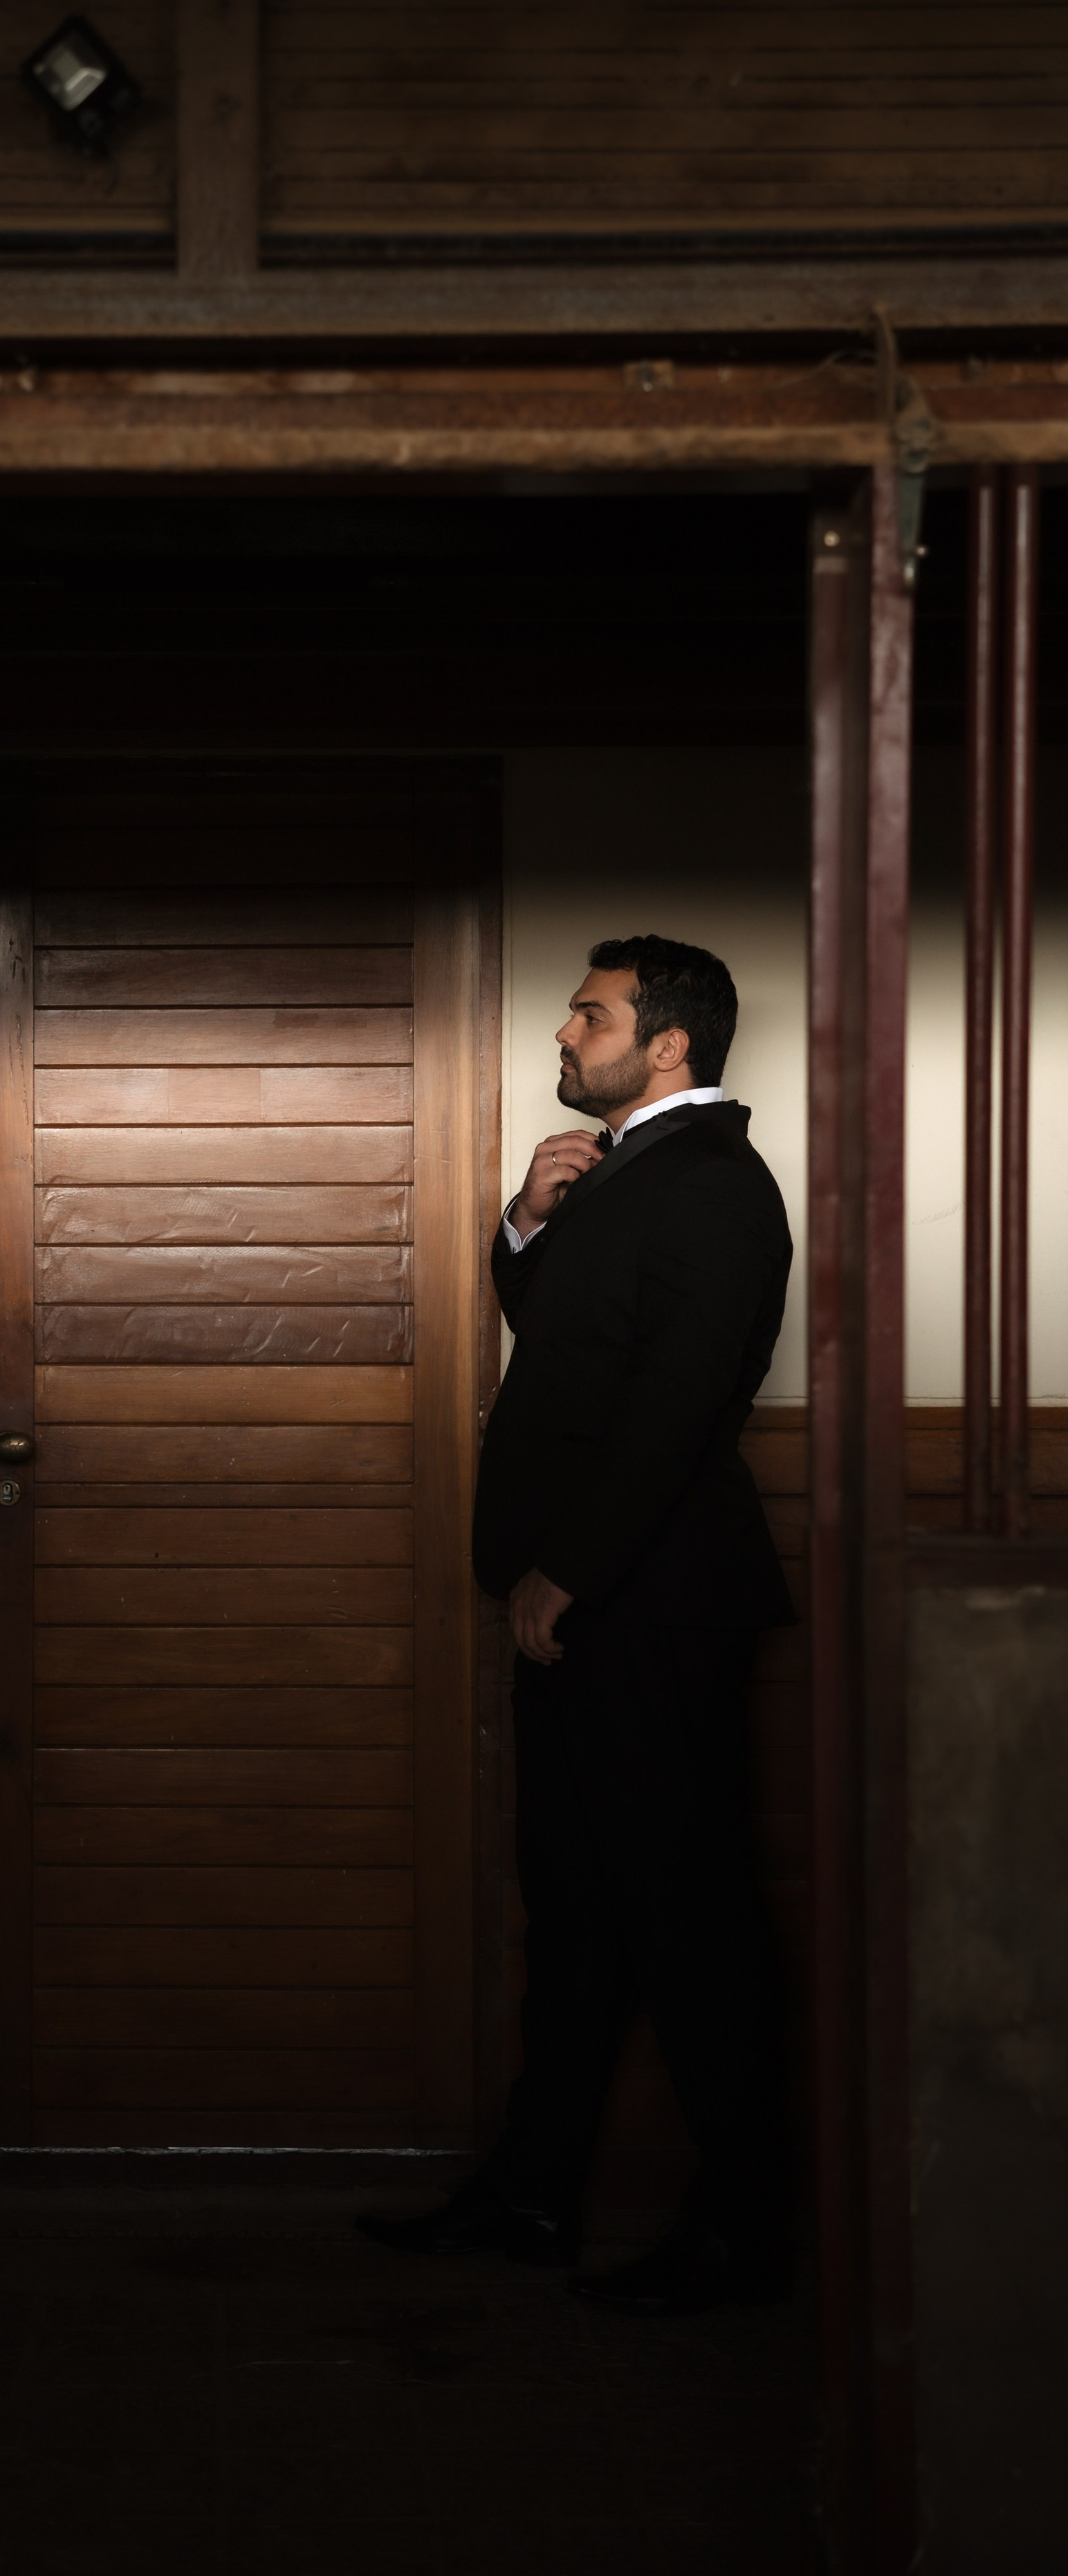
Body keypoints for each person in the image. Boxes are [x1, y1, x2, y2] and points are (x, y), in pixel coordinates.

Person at [360, 935, 794, 2314]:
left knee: (688, 1917)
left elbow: (677, 1402)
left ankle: (746, 2234)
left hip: (648, 1611)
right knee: (577, 1914)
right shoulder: (620, 1174)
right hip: (586, 1610)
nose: (563, 1031)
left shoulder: (714, 1183)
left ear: (666, 1044)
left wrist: (572, 1572)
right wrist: (527, 1223)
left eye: (588, 1014)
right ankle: (535, 2193)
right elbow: (565, 1350)